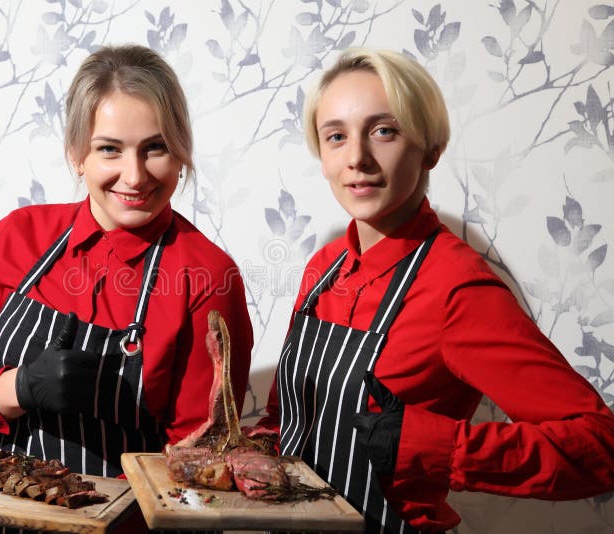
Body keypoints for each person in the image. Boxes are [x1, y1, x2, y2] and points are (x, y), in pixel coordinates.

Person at [253, 47, 614, 534]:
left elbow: (599, 444)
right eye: (336, 136)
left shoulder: (456, 288)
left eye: (384, 131)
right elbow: (286, 421)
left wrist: (437, 447)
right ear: (322, 156)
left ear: (431, 148)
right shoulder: (324, 268)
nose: (357, 158)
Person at [0, 44, 253, 532]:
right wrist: (19, 387)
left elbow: (196, 469)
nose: (135, 176)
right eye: (109, 149)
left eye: (155, 148)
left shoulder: (206, 275)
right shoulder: (18, 239)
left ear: (181, 154)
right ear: (77, 155)